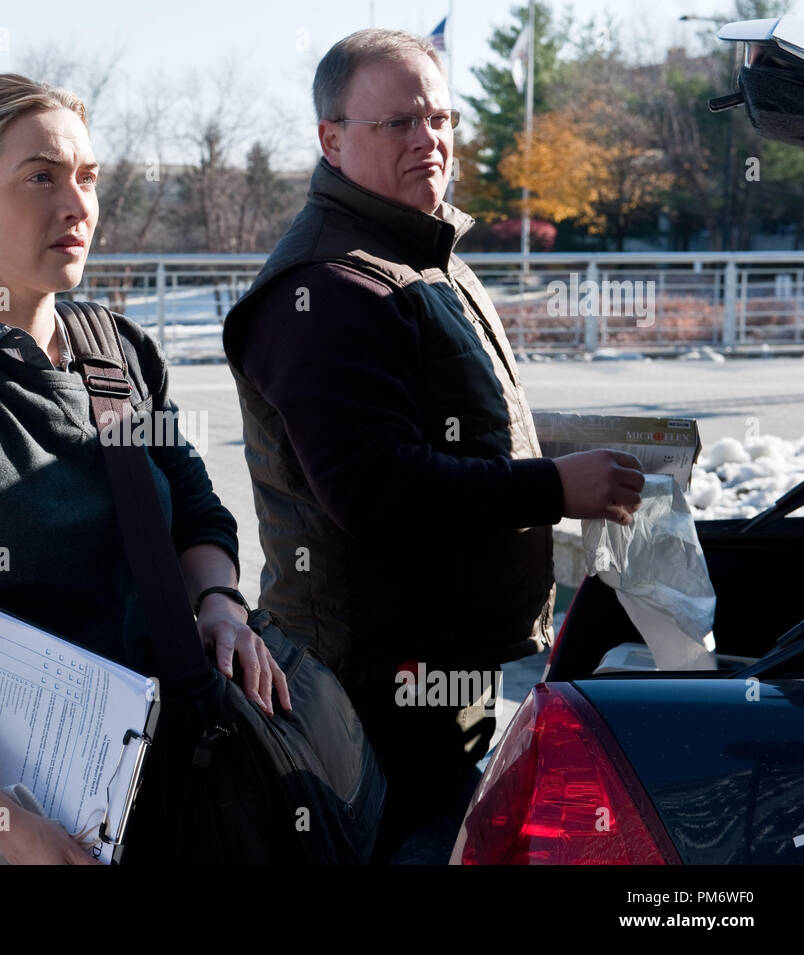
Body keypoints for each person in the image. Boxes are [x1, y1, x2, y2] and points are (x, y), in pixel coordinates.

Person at [0, 74, 291, 866]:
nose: (77, 204)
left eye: (88, 177)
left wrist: (218, 602)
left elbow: (198, 513)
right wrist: (0, 819)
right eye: (42, 176)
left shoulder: (121, 354)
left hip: (160, 805)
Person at [221, 29, 645, 861]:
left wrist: (576, 455)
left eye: (442, 117)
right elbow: (373, 488)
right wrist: (556, 486)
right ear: (331, 140)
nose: (431, 139)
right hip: (375, 690)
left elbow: (452, 426)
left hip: (438, 669)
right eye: (400, 123)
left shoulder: (417, 253)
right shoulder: (327, 286)